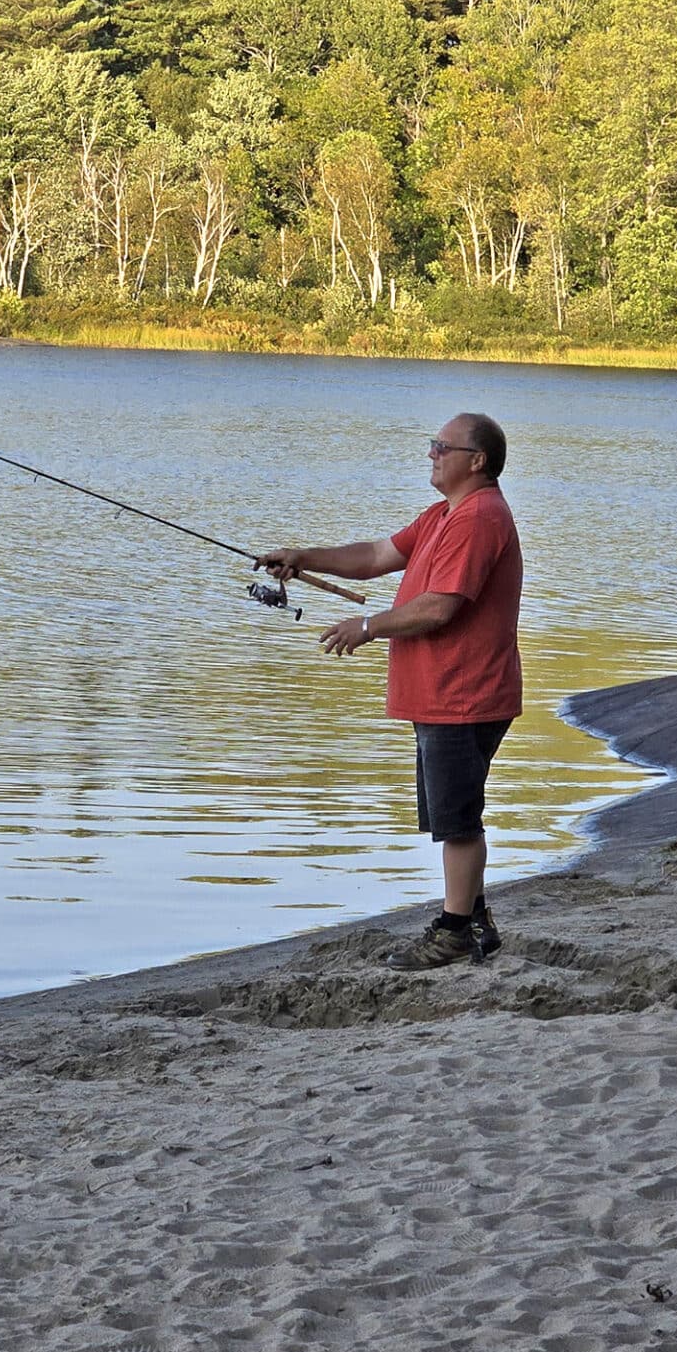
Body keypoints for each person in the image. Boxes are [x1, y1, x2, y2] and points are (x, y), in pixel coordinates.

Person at [258, 412, 522, 969]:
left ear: (476, 461)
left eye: (441, 447)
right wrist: (301, 557)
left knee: (457, 820)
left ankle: (453, 932)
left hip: (463, 694)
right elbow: (378, 557)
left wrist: (369, 626)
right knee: (451, 814)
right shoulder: (442, 515)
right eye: (432, 445)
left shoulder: (479, 518)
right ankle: (474, 922)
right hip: (440, 693)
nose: (431, 454)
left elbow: (442, 606)